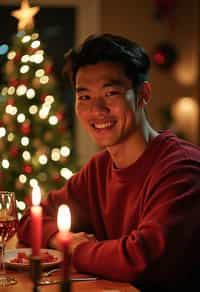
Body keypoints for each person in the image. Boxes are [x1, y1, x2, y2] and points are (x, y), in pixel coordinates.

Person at [17, 33, 200, 291]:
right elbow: (31, 220)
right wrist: (61, 238)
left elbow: (140, 259)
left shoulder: (182, 170)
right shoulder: (99, 168)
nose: (96, 110)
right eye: (84, 97)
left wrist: (76, 248)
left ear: (143, 94)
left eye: (111, 93)